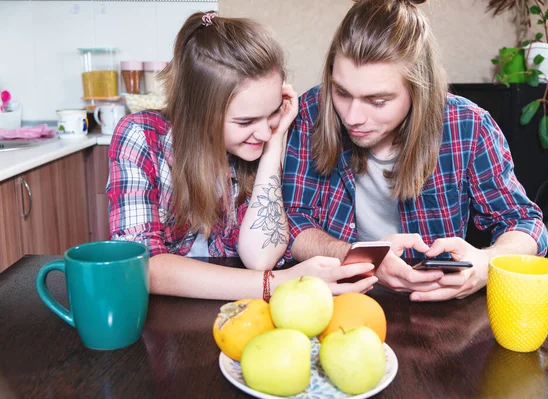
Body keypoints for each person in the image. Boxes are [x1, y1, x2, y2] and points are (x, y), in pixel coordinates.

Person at [282, 0, 548, 302]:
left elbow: (525, 222)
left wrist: (487, 263)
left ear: (418, 89)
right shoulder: (311, 112)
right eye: (341, 92)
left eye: (378, 101)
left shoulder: (469, 126)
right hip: (338, 300)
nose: (352, 117)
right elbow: (294, 220)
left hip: (435, 310)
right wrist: (363, 258)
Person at [106, 11, 377, 300]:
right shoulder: (140, 136)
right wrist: (279, 283)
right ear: (198, 113)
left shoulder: (257, 147)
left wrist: (275, 145)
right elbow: (143, 267)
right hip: (163, 320)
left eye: (273, 112)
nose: (262, 133)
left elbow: (261, 258)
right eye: (245, 122)